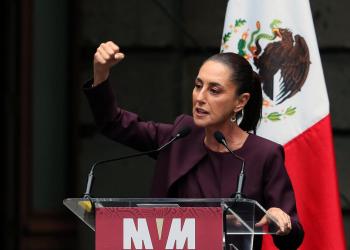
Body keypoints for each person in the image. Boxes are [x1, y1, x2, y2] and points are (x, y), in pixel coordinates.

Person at [84, 41, 304, 249]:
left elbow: (292, 235)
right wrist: (100, 73)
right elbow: (113, 123)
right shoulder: (180, 135)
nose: (200, 97)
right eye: (198, 86)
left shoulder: (264, 154)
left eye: (214, 90)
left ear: (241, 101)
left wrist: (282, 221)